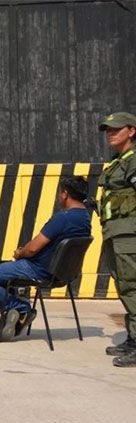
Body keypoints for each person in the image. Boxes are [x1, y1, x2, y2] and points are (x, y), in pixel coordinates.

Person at [0, 176, 92, 342]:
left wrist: (19, 253)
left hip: (37, 269)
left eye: (60, 193)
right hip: (64, 274)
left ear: (65, 194)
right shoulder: (85, 219)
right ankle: (15, 312)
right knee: (2, 276)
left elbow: (32, 249)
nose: (59, 197)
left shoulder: (62, 218)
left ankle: (20, 308)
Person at [97, 112, 136, 367]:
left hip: (129, 235)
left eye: (116, 129)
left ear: (131, 131)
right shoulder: (118, 161)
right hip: (116, 233)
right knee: (124, 285)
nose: (111, 133)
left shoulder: (133, 161)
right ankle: (133, 338)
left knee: (132, 285)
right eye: (108, 130)